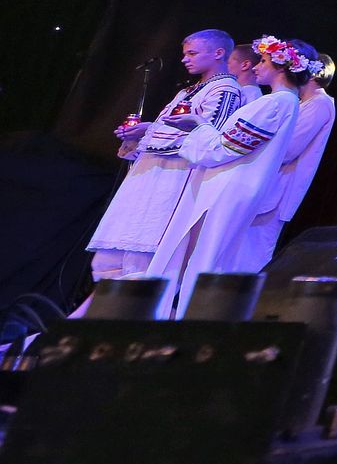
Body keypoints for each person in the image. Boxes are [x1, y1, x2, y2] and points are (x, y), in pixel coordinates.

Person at [143, 36, 309, 315]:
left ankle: (186, 316)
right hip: (227, 182)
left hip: (229, 185)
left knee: (207, 254)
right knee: (200, 253)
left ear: (281, 66)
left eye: (263, 61)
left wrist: (197, 127)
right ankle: (175, 312)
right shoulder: (280, 102)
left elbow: (227, 147)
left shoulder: (276, 102)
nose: (256, 66)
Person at [90, 29, 246, 280]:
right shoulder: (187, 91)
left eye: (192, 53)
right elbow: (169, 127)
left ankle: (132, 295)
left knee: (143, 253)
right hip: (151, 173)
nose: (185, 59)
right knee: (113, 253)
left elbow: (208, 137)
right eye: (185, 54)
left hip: (174, 177)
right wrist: (141, 132)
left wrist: (150, 131)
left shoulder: (226, 90)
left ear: (218, 53)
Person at [235, 42, 335, 271]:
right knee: (242, 248)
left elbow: (289, 149)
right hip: (269, 182)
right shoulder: (302, 102)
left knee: (253, 252)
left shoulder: (320, 103)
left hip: (280, 188)